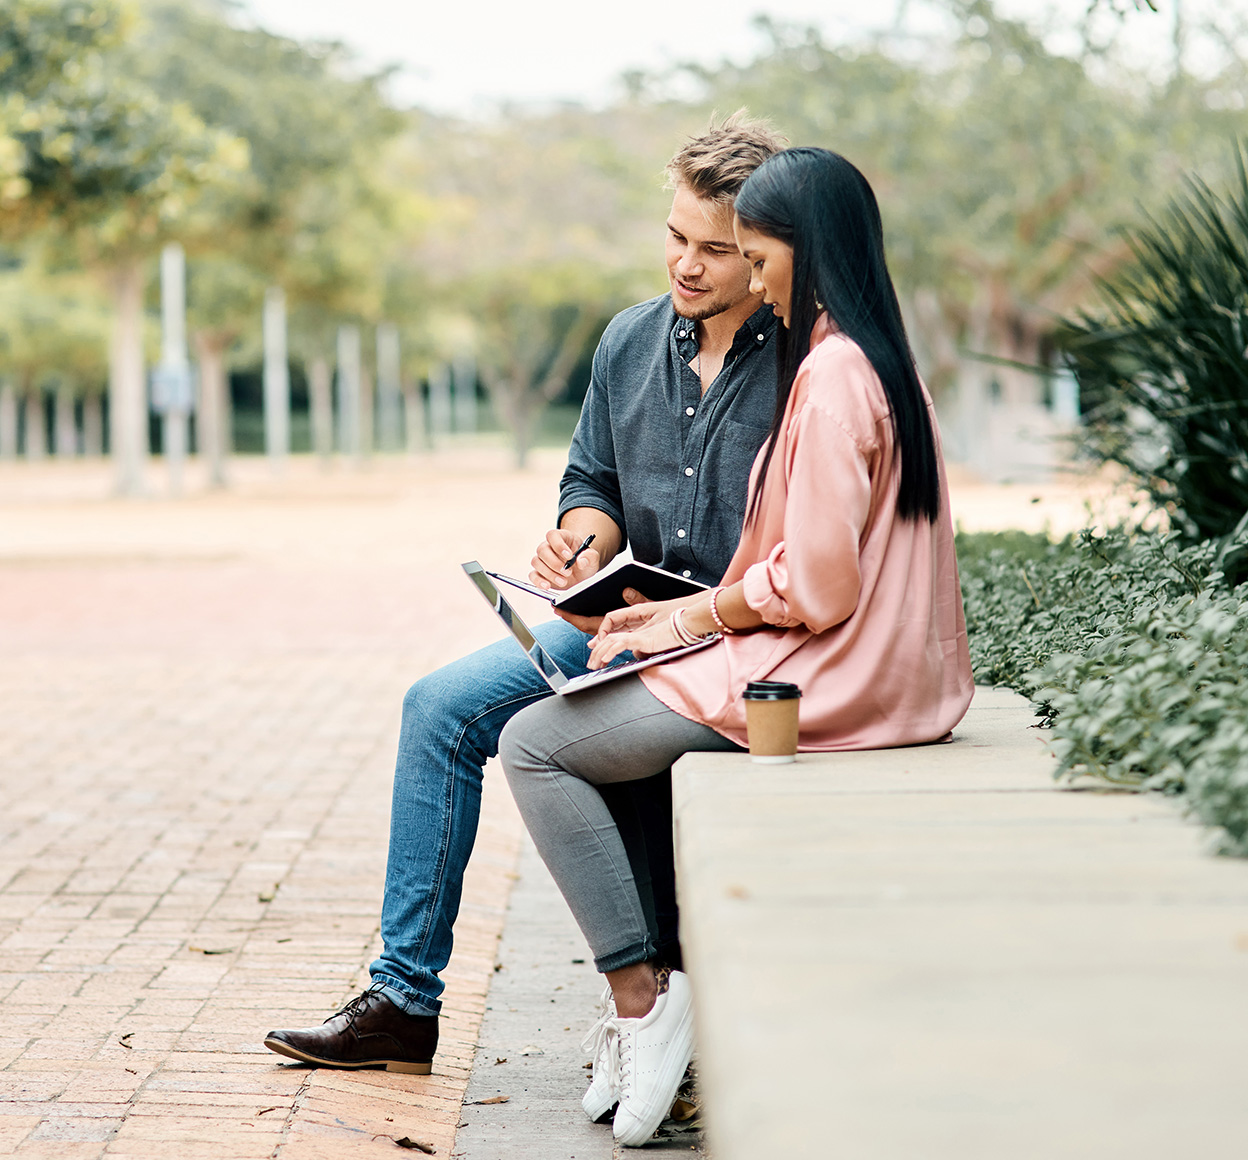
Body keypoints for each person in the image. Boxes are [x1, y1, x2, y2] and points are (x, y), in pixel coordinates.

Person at [262, 114, 787, 1083]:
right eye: (676, 237)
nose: (688, 265)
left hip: (721, 643)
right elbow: (591, 483)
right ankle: (403, 999)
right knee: (437, 707)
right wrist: (581, 538)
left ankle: (648, 995)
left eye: (717, 249)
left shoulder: (803, 363)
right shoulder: (628, 342)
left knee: (553, 730)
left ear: (763, 251)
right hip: (611, 620)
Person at [497, 146, 976, 1147]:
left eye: (756, 256)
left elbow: (821, 582)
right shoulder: (871, 356)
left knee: (536, 743)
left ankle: (644, 997)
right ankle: (647, 1004)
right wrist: (668, 617)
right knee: (599, 678)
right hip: (871, 671)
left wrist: (691, 617)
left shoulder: (835, 374)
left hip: (823, 680)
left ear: (805, 253)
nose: (747, 279)